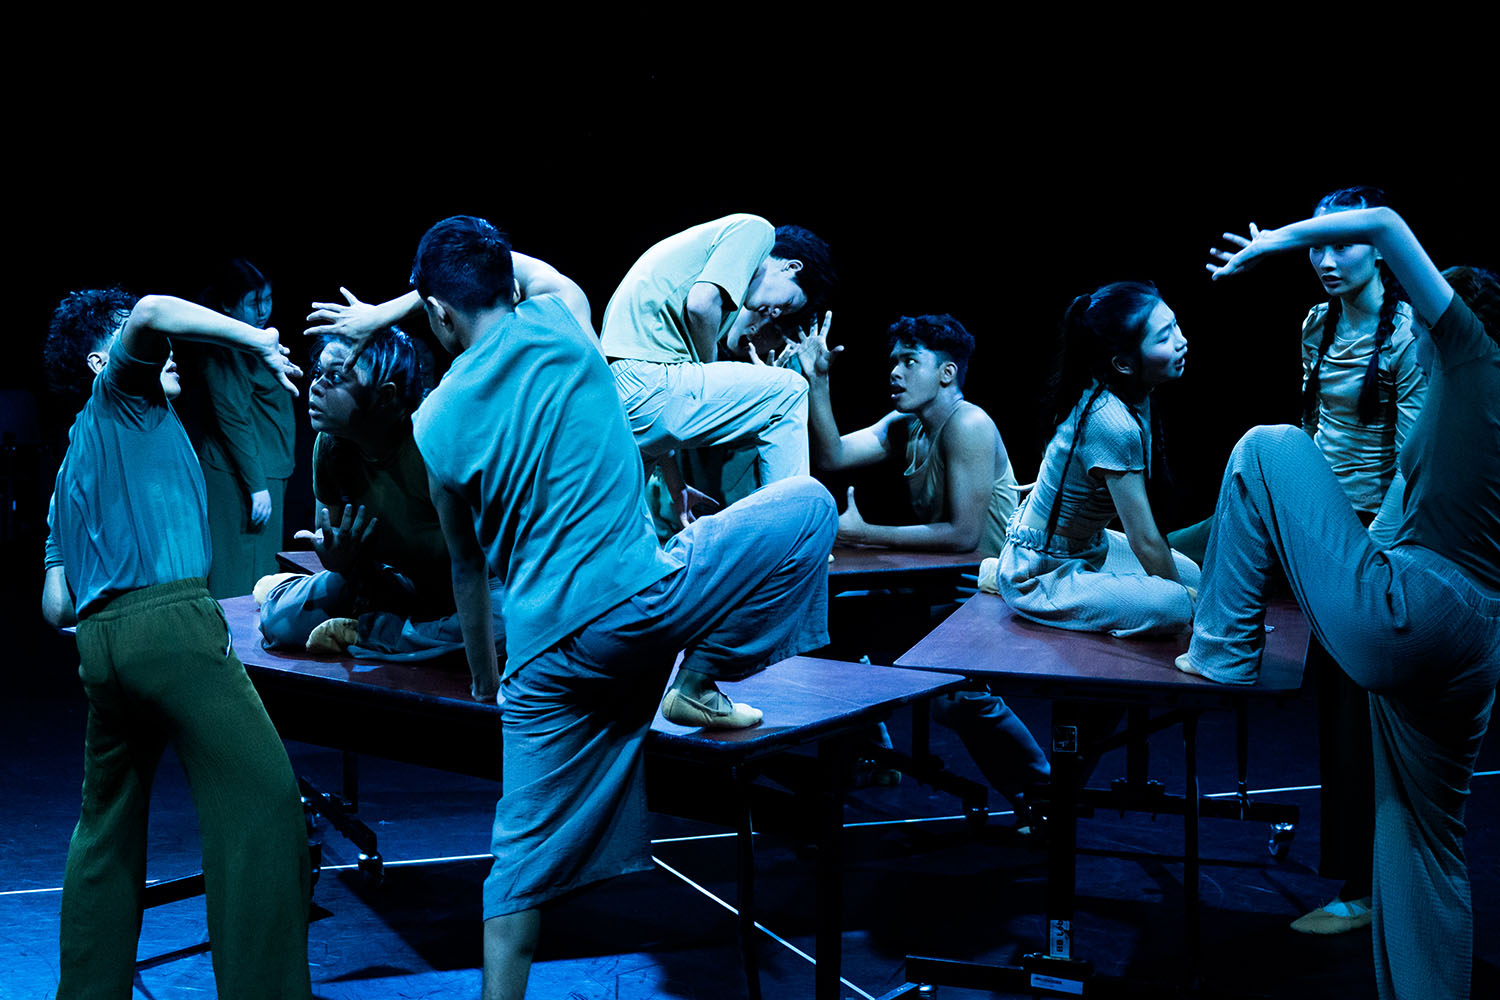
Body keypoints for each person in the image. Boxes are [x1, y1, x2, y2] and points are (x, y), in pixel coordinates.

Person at [320, 216, 834, 1000]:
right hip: (641, 607)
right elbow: (529, 272)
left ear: (440, 314)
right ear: (503, 283)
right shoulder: (563, 317)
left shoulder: (433, 423)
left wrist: (487, 680)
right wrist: (410, 299)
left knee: (516, 865)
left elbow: (467, 568)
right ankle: (700, 679)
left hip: (541, 659)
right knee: (808, 505)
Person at [1185, 208, 1500, 1000]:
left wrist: (1274, 242)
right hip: (1474, 640)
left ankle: (1221, 655)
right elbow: (1403, 505)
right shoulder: (1452, 408)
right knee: (1422, 839)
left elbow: (1388, 222)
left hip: (1417, 610)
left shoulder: (1475, 360)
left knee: (1267, 445)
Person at [41, 288, 311, 999]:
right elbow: (155, 309)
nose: (166, 358)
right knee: (264, 808)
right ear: (102, 361)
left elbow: (56, 603)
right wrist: (255, 339)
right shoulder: (123, 398)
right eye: (136, 346)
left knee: (105, 830)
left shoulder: (72, 462)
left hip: (101, 646)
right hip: (172, 629)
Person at [787, 310, 1048, 816]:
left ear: (946, 373)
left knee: (958, 699)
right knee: (829, 624)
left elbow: (964, 536)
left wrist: (865, 534)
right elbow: (834, 455)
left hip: (990, 590)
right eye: (894, 361)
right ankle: (873, 752)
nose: (894, 372)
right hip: (942, 585)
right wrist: (817, 382)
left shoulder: (968, 423)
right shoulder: (905, 427)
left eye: (910, 361)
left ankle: (1043, 799)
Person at [256, 327, 505, 661]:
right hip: (394, 583)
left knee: (505, 629)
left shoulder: (431, 443)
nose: (316, 386)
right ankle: (288, 590)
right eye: (318, 372)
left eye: (335, 377)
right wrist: (338, 558)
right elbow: (336, 553)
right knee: (279, 624)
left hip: (475, 585)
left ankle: (373, 633)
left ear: (385, 396)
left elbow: (474, 565)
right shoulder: (330, 446)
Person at [990, 281, 1200, 637]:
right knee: (1176, 604)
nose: (1182, 341)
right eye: (1164, 338)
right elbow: (1144, 539)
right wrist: (1188, 604)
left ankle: (1000, 571)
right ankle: (1003, 576)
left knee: (1195, 577)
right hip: (1041, 570)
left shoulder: (1131, 393)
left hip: (1089, 546)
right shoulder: (1111, 421)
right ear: (1123, 364)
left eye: (1175, 325)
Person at [599, 214, 834, 526]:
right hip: (646, 380)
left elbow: (656, 421)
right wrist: (709, 368)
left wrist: (677, 487)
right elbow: (701, 304)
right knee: (789, 390)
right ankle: (789, 535)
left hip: (619, 397)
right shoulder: (756, 230)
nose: (776, 312)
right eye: (788, 303)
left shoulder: (697, 265)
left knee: (617, 538)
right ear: (791, 267)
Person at [181, 258, 296, 598]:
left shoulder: (253, 342)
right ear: (228, 305)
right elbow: (232, 415)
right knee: (240, 580)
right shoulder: (225, 347)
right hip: (241, 478)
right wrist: (256, 486)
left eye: (267, 299)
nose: (263, 310)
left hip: (264, 470)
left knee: (259, 575)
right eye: (253, 302)